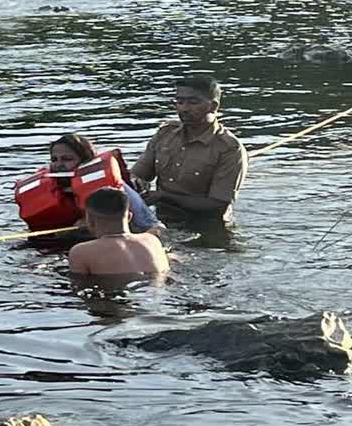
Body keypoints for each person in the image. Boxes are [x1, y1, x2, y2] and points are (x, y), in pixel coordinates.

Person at [131, 76, 248, 223]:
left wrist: (163, 197)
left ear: (213, 106)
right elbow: (138, 173)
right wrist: (136, 183)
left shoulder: (229, 149)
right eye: (179, 102)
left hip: (206, 225)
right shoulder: (165, 134)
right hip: (161, 219)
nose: (184, 108)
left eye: (193, 102)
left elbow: (218, 204)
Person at [49, 133, 166, 235]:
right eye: (54, 159)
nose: (59, 165)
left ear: (85, 161)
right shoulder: (50, 188)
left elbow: (156, 228)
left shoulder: (113, 189)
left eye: (67, 159)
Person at [69, 188, 170, 276]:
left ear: (89, 221)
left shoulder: (81, 252)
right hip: (155, 293)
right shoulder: (152, 240)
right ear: (129, 217)